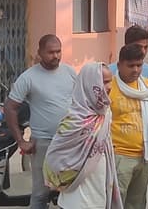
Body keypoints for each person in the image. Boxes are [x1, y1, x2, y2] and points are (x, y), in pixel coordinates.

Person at [5, 34, 77, 209]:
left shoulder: (69, 72)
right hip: (43, 142)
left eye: (58, 51)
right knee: (40, 192)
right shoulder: (28, 77)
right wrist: (21, 141)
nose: (56, 56)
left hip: (69, 140)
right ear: (40, 53)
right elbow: (10, 107)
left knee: (71, 189)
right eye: (51, 52)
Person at [43, 62, 123, 209]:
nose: (109, 87)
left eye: (110, 81)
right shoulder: (74, 119)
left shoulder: (105, 113)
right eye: (104, 82)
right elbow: (55, 155)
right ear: (89, 84)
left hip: (98, 187)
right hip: (76, 194)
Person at [110, 43, 148, 209]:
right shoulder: (109, 88)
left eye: (139, 65)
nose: (135, 70)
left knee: (137, 203)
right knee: (115, 203)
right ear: (119, 65)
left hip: (145, 156)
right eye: (130, 66)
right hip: (118, 156)